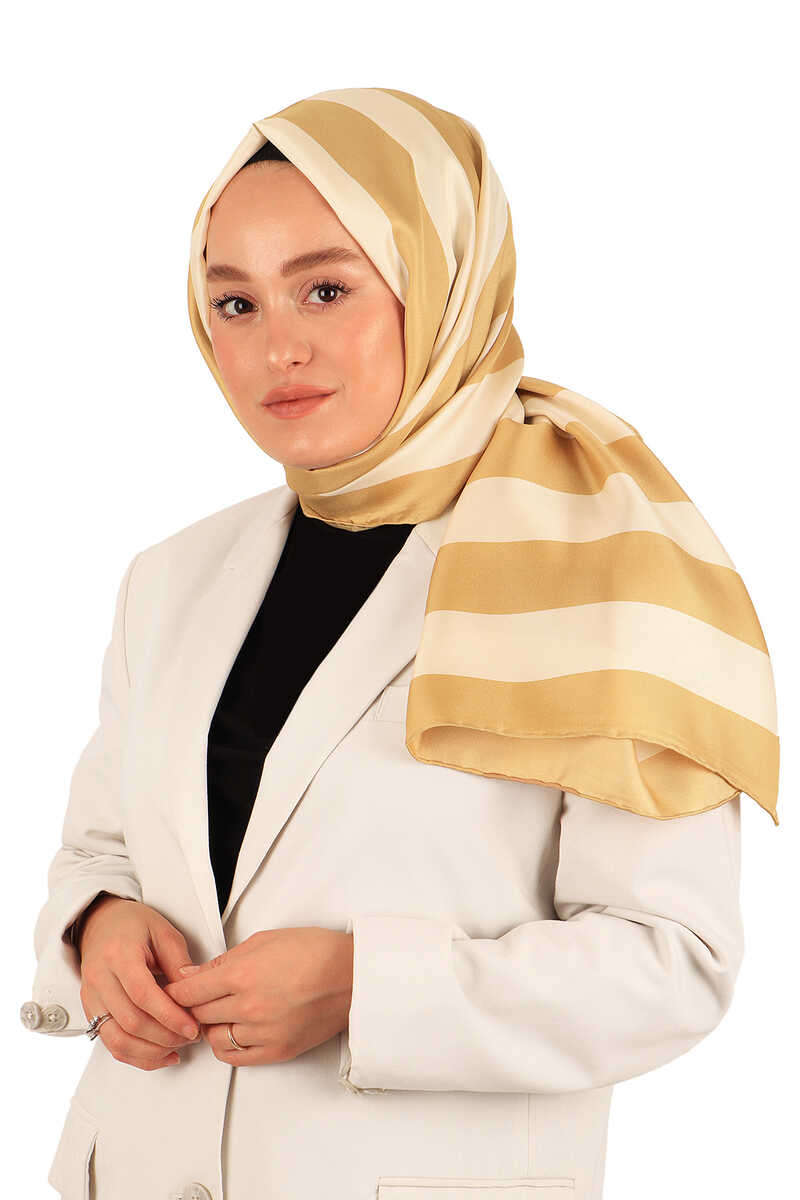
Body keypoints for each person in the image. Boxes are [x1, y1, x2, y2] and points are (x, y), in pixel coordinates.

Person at [22, 87, 779, 1200]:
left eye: (326, 288)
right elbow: (101, 848)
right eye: (233, 304)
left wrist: (365, 987)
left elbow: (672, 963)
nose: (277, 347)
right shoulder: (170, 578)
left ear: (442, 284)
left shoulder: (602, 564)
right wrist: (97, 928)